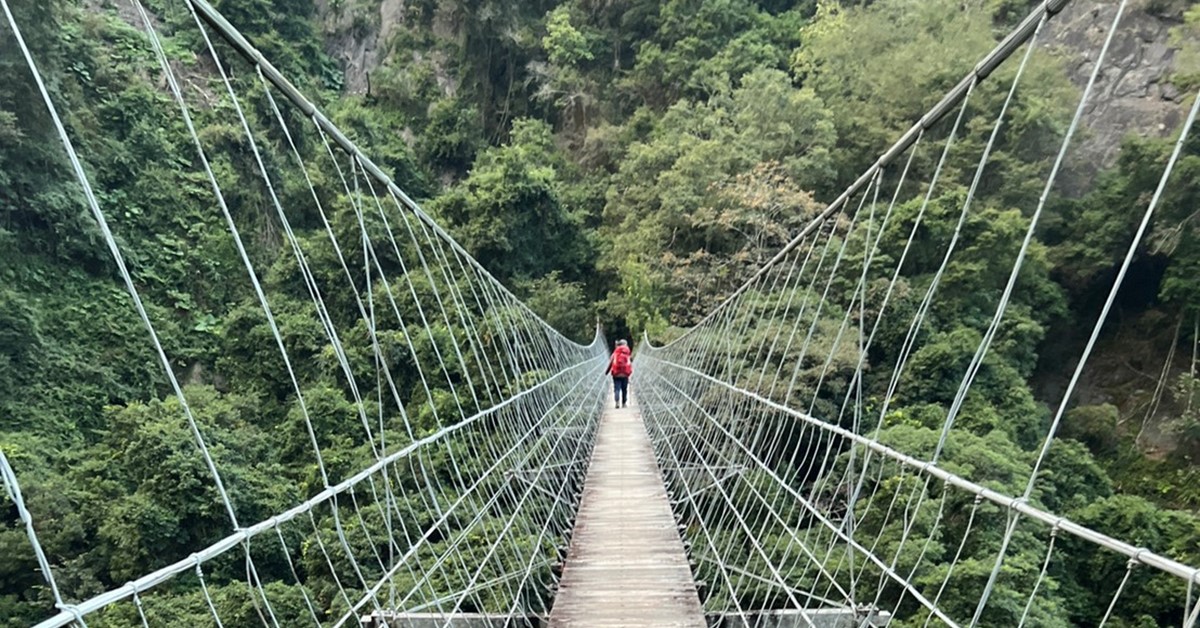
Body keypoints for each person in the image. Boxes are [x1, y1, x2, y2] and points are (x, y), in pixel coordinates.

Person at [606, 339, 632, 408]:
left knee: (617, 388)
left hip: (616, 374)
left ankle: (617, 402)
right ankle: (624, 403)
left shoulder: (615, 353)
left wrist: (606, 372)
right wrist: (629, 373)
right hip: (625, 374)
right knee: (624, 389)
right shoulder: (627, 352)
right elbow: (629, 364)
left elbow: (610, 363)